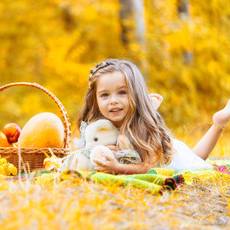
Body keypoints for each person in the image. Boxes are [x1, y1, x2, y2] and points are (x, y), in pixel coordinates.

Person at [78, 59, 230, 174]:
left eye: (122, 92)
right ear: (95, 100)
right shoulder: (99, 127)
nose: (113, 101)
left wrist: (117, 167)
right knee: (194, 154)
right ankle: (148, 107)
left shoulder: (142, 127)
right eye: (105, 95)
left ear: (136, 94)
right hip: (161, 144)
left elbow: (149, 167)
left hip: (172, 160)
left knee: (196, 159)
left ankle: (219, 123)